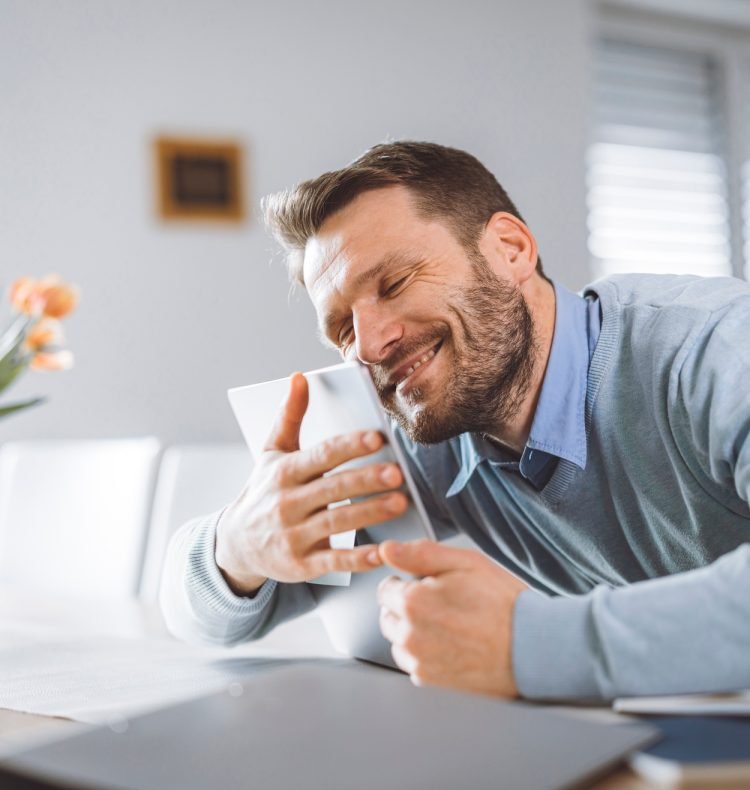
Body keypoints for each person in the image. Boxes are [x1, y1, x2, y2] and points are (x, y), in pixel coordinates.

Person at [160, 141, 750, 701]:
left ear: (511, 249)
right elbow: (202, 619)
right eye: (342, 330)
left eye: (393, 283)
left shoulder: (716, 349)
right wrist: (236, 548)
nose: (369, 345)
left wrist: (530, 645)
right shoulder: (429, 440)